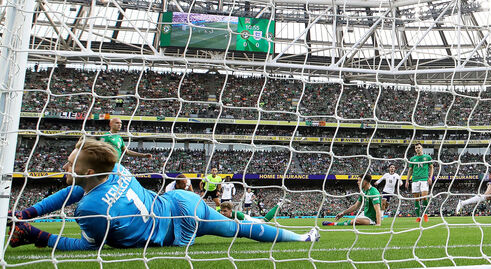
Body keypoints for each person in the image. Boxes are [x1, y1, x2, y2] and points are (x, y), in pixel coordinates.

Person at [8, 138, 319, 250]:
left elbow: (84, 247)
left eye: (71, 161)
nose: (66, 164)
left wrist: (37, 234)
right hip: (180, 204)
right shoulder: (116, 171)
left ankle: (301, 239)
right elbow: (74, 189)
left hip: (178, 223)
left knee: (236, 228)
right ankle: (301, 238)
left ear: (89, 172)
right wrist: (27, 215)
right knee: (237, 228)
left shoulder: (88, 209)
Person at [405, 143, 435, 222]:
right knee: (417, 199)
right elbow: (410, 170)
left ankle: (425, 215)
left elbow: (431, 167)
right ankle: (418, 217)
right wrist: (407, 180)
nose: (417, 149)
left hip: (424, 179)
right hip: (415, 180)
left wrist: (430, 177)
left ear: (422, 148)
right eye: (416, 148)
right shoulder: (412, 159)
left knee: (424, 197)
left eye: (419, 147)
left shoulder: (427, 157)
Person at [219, 201, 283, 223]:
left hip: (248, 220)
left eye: (225, 211)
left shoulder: (238, 215)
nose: (223, 213)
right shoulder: (219, 212)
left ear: (230, 210)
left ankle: (278, 205)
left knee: (264, 221)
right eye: (222, 211)